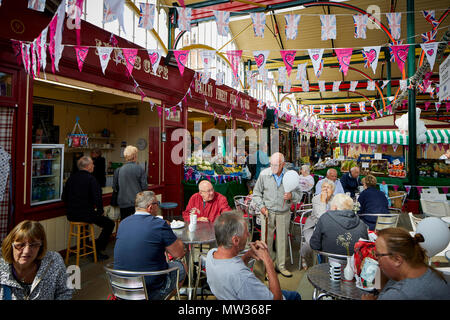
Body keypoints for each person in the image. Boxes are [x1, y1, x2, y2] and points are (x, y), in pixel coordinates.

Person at [205, 210, 301, 300]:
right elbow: (277, 298)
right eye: (246, 233)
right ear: (236, 240)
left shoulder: (211, 254)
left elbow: (231, 268)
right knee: (295, 296)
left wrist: (247, 255)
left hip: (229, 294)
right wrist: (268, 261)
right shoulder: (242, 277)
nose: (248, 235)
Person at [113, 191, 187, 300]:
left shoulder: (123, 223)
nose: (159, 207)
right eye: (157, 204)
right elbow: (179, 253)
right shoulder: (159, 224)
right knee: (182, 266)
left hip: (121, 288)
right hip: (148, 290)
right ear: (150, 207)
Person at [251, 152, 302, 277]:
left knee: (282, 240)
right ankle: (266, 267)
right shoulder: (264, 175)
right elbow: (256, 194)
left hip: (284, 212)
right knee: (265, 241)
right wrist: (262, 207)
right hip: (267, 212)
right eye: (271, 165)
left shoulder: (290, 176)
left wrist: (291, 196)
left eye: (276, 165)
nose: (273, 168)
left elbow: (299, 194)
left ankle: (281, 266)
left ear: (283, 164)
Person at [362, 228, 450, 300]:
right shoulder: (425, 270)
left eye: (378, 254)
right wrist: (381, 263)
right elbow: (380, 289)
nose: (375, 258)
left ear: (397, 259)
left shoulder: (399, 294)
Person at [0, 220, 73, 300]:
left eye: (34, 245)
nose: (26, 251)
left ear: (41, 247)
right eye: (20, 245)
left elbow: (65, 292)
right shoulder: (2, 268)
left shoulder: (54, 261)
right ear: (11, 246)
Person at [62, 156, 114, 260]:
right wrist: (100, 211)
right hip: (85, 215)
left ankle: (83, 248)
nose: (93, 166)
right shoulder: (91, 179)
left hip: (71, 215)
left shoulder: (71, 178)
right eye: (92, 164)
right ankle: (97, 250)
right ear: (88, 166)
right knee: (109, 224)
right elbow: (97, 198)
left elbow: (64, 197)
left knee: (85, 225)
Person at [300, 179, 335, 269]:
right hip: (313, 226)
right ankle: (303, 255)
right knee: (312, 242)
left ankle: (327, 264)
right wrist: (323, 201)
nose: (326, 189)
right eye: (324, 187)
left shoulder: (335, 199)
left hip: (330, 227)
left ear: (333, 190)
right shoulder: (316, 199)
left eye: (328, 187)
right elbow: (321, 217)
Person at [114, 145, 148, 220]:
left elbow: (115, 187)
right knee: (137, 224)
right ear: (135, 156)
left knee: (125, 223)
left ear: (126, 157)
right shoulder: (140, 169)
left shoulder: (119, 170)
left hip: (123, 202)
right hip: (136, 202)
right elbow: (144, 187)